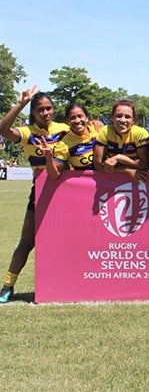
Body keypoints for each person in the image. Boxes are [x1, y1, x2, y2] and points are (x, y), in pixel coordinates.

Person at [0, 86, 69, 303]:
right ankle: (8, 286)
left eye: (49, 108)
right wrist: (20, 103)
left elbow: (87, 136)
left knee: (68, 241)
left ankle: (71, 284)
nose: (46, 113)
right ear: (33, 113)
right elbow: (3, 130)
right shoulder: (28, 133)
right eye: (41, 109)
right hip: (40, 190)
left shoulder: (64, 129)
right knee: (26, 242)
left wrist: (94, 125)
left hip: (67, 193)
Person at [37, 101, 98, 180]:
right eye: (72, 118)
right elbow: (53, 175)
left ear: (87, 117)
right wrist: (49, 157)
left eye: (80, 116)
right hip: (87, 184)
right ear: (67, 121)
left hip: (110, 183)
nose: (77, 120)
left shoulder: (98, 130)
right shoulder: (64, 145)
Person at [93, 100, 149, 183]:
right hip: (113, 182)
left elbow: (145, 165)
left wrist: (119, 158)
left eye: (127, 117)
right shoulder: (105, 131)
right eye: (119, 116)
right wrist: (127, 170)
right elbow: (98, 165)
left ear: (133, 120)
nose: (123, 120)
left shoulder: (140, 133)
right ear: (112, 118)